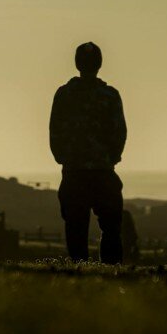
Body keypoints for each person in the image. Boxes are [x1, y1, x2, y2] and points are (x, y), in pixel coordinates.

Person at [50, 41, 127, 264]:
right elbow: (119, 131)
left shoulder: (64, 94)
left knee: (75, 226)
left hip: (74, 171)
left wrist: (63, 157)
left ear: (77, 64)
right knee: (111, 227)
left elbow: (55, 130)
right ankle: (112, 270)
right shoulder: (110, 95)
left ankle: (79, 270)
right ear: (100, 64)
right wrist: (112, 157)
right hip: (103, 170)